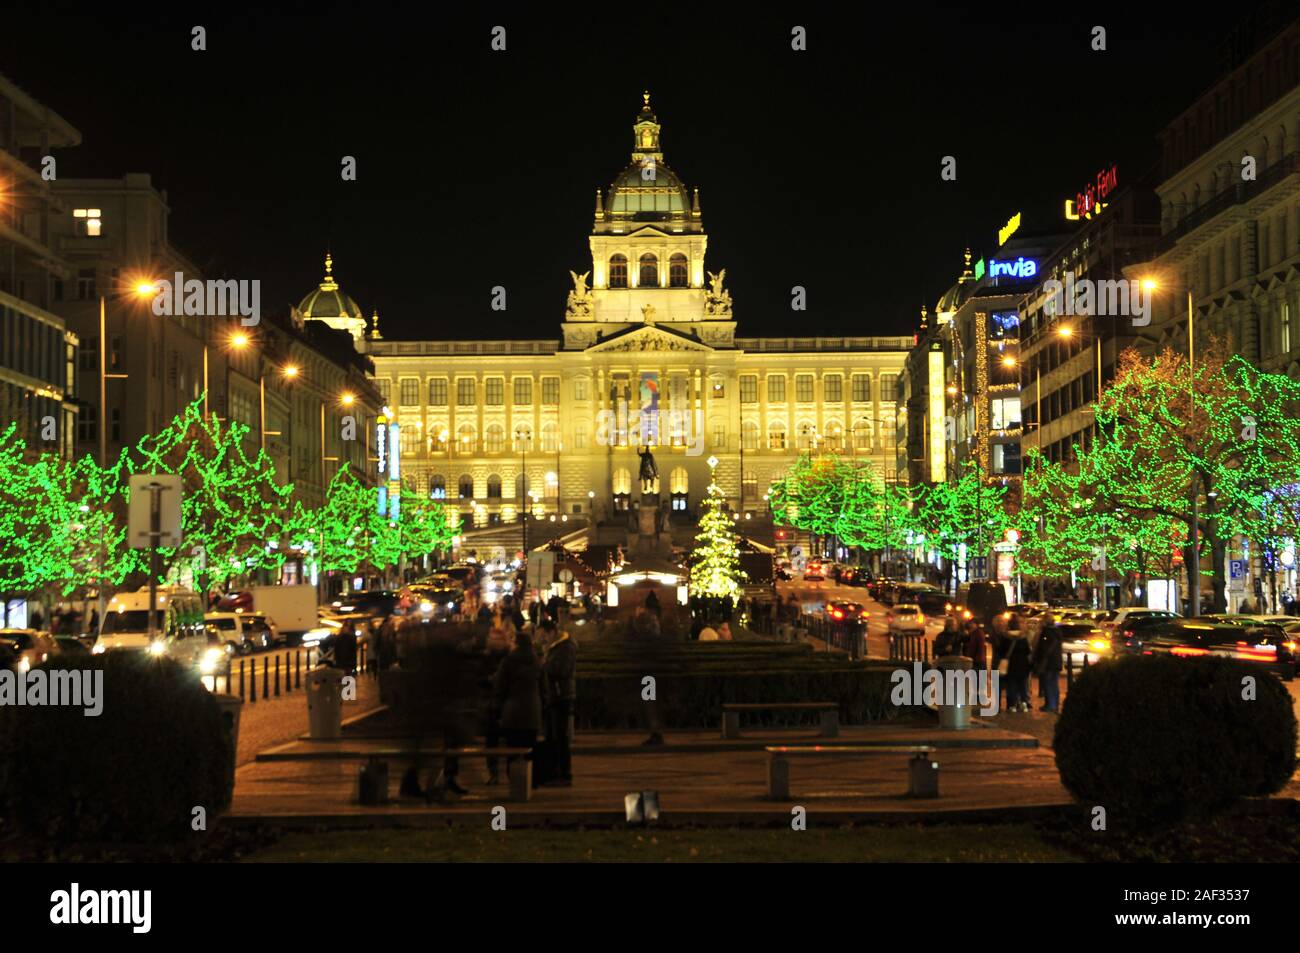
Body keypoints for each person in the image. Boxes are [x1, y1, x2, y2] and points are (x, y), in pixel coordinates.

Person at [493, 628, 543, 782]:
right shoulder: (537, 662)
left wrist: (498, 708)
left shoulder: (509, 661)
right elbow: (544, 687)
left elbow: (500, 686)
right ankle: (530, 779)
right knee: (530, 745)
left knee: (513, 746)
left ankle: (514, 778)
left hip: (513, 709)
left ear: (516, 644)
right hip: (532, 709)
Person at [542, 622, 577, 786]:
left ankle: (564, 773)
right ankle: (553, 771)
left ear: (553, 632)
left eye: (544, 635)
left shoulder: (565, 647)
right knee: (552, 736)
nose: (543, 638)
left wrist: (545, 665)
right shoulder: (555, 647)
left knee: (560, 736)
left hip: (561, 695)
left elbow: (561, 670)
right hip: (553, 695)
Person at [1032, 622, 1064, 713]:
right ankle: (1054, 704)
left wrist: (1039, 659)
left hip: (1048, 663)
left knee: (1048, 683)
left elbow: (1043, 649)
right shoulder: (1058, 633)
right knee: (1054, 683)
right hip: (1056, 662)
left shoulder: (1046, 633)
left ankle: (1050, 705)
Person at [998, 628, 1032, 713]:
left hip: (1011, 666)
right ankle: (1024, 704)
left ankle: (1012, 705)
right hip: (1023, 666)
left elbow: (1001, 652)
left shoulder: (1005, 638)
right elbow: (1028, 651)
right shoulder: (1023, 638)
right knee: (1023, 686)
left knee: (1011, 686)